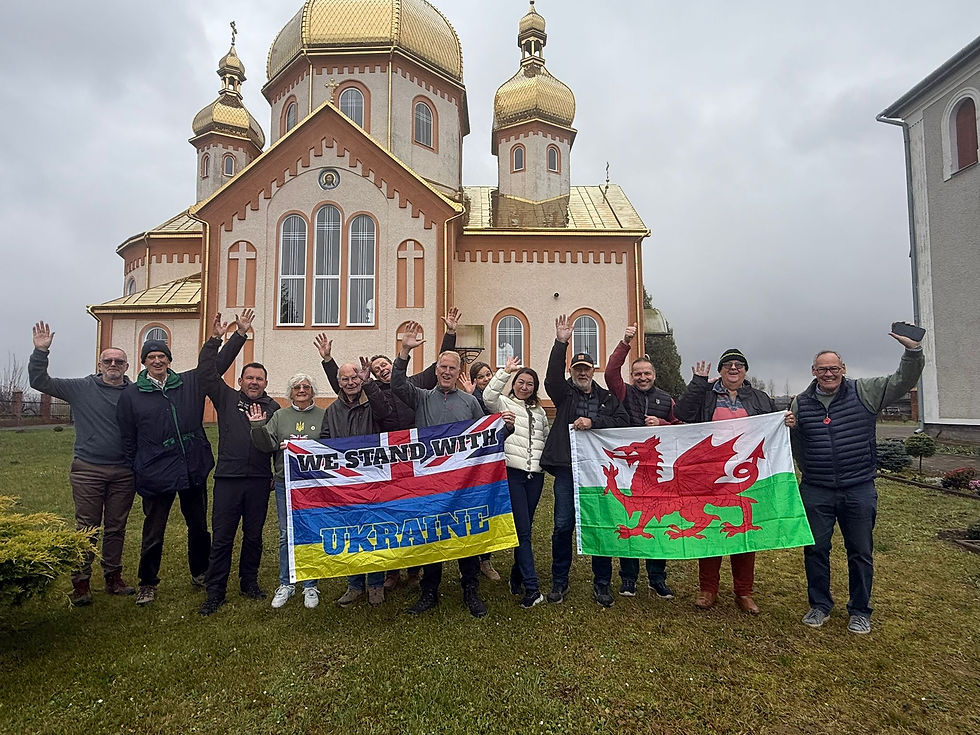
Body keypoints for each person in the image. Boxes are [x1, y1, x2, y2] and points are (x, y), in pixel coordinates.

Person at [315, 308, 462, 591]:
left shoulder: (415, 384)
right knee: (391, 514)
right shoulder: (371, 393)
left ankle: (415, 569)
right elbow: (344, 387)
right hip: (384, 462)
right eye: (377, 366)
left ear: (393, 366)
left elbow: (440, 367)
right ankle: (391, 572)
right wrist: (328, 361)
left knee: (417, 512)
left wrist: (450, 334)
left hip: (416, 457)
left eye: (385, 364)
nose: (382, 368)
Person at [791, 332, 924, 635]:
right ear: (814, 372)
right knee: (815, 549)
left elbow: (902, 381)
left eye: (834, 369)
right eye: (822, 369)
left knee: (860, 551)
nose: (828, 374)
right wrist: (806, 465)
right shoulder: (801, 403)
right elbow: (794, 442)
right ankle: (820, 605)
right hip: (816, 489)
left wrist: (913, 351)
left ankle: (860, 610)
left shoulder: (865, 391)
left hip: (858, 487)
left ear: (844, 369)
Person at [116, 313, 243, 606]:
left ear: (169, 360)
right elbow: (127, 438)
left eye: (162, 356)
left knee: (198, 525)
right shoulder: (132, 395)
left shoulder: (189, 383)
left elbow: (215, 366)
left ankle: (201, 570)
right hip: (156, 470)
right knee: (154, 530)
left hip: (191, 466)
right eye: (152, 357)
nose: (158, 361)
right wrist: (135, 468)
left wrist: (226, 338)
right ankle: (147, 581)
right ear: (144, 361)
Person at [675, 348, 791, 614]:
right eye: (728, 364)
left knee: (744, 527)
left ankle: (744, 591)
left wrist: (785, 422)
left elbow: (773, 427)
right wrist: (697, 383)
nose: (734, 368)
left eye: (739, 365)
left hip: (747, 472)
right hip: (710, 474)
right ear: (720, 370)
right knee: (710, 527)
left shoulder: (759, 398)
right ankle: (708, 589)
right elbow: (682, 412)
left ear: (746, 371)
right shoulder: (705, 395)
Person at [28, 322, 136, 605]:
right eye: (108, 360)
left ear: (127, 366)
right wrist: (41, 352)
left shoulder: (136, 393)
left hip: (124, 471)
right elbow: (40, 382)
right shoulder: (81, 388)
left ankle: (113, 578)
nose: (113, 364)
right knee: (87, 527)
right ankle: (81, 583)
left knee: (116, 527)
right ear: (99, 364)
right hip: (88, 469)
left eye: (119, 361)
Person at [391, 321, 489, 618]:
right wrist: (405, 351)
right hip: (430, 484)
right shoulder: (421, 397)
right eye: (442, 367)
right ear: (436, 371)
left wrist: (505, 427)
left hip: (463, 484)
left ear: (458, 372)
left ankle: (470, 589)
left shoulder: (471, 402)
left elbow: (486, 436)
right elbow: (397, 384)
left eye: (452, 368)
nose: (446, 372)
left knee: (465, 537)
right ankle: (429, 592)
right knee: (432, 538)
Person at [540, 315, 629, 607]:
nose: (582, 373)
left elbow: (622, 421)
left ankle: (602, 583)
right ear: (572, 371)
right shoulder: (564, 394)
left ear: (593, 370)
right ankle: (559, 581)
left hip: (598, 473)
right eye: (577, 369)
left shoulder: (606, 398)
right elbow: (552, 377)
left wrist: (594, 421)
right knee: (563, 525)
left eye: (586, 368)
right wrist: (560, 342)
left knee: (598, 524)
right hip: (568, 470)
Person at [197, 310, 281, 616]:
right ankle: (215, 591)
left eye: (259, 379)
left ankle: (249, 583)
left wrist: (274, 473)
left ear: (266, 382)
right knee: (222, 538)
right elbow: (206, 373)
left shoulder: (274, 408)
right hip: (228, 479)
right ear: (241, 380)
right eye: (250, 378)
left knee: (254, 536)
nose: (254, 382)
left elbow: (278, 445)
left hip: (259, 482)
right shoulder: (227, 398)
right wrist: (226, 338)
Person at [603, 323, 677, 600]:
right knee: (630, 519)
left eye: (646, 373)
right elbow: (610, 372)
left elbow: (681, 427)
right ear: (631, 376)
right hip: (627, 471)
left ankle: (658, 579)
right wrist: (625, 343)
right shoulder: (624, 392)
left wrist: (664, 423)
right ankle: (628, 579)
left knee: (655, 521)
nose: (642, 377)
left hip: (656, 475)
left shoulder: (666, 399)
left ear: (654, 375)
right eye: (637, 374)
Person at [249, 373, 325, 610]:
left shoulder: (324, 416)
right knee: (286, 534)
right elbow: (266, 444)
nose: (301, 390)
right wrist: (257, 426)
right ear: (290, 392)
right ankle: (287, 583)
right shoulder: (280, 416)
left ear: (313, 392)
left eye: (306, 386)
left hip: (314, 483)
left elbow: (331, 446)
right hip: (285, 482)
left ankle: (310, 585)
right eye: (296, 387)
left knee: (311, 533)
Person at [482, 356, 550, 608]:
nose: (524, 387)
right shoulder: (504, 403)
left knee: (526, 529)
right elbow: (488, 396)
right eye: (520, 382)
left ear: (534, 387)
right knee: (522, 532)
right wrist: (504, 371)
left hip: (536, 477)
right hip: (513, 474)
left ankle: (515, 577)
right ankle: (532, 589)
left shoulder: (540, 411)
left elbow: (544, 438)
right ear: (514, 383)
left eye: (530, 384)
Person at [322, 360, 387, 608]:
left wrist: (370, 383)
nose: (350, 383)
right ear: (338, 383)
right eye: (345, 379)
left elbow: (385, 412)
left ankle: (376, 584)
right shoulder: (332, 411)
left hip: (372, 478)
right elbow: (325, 441)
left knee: (375, 531)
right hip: (345, 483)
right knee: (350, 532)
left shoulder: (373, 403)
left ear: (361, 380)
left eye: (354, 379)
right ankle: (355, 584)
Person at [459, 360, 502, 582]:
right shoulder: (468, 399)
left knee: (489, 512)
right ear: (474, 380)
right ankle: (470, 561)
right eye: (481, 376)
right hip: (472, 466)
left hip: (493, 464)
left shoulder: (499, 399)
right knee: (472, 513)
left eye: (489, 375)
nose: (486, 379)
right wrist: (469, 397)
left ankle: (485, 560)